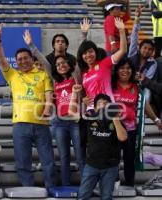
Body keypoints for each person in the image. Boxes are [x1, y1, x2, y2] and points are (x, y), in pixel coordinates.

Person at [0, 23, 56, 188]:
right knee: (22, 162)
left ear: (32, 59)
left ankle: (50, 188)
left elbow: (49, 94)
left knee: (48, 161)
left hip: (41, 124)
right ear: (17, 62)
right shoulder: (12, 75)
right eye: (19, 59)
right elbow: (0, 59)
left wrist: (48, 107)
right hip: (20, 124)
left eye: (26, 58)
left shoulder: (42, 74)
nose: (23, 61)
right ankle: (28, 190)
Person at [23, 29, 85, 186]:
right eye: (58, 64)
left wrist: (83, 36)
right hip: (59, 123)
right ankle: (65, 185)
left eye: (64, 63)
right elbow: (44, 61)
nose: (61, 65)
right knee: (63, 156)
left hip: (75, 122)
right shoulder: (54, 80)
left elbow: (79, 58)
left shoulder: (75, 76)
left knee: (80, 155)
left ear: (68, 64)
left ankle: (86, 185)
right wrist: (31, 45)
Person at [112, 57, 162, 187]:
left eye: (128, 68)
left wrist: (156, 120)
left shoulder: (136, 87)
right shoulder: (110, 86)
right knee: (113, 159)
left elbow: (145, 105)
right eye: (122, 68)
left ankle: (129, 185)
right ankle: (113, 183)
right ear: (117, 70)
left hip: (131, 130)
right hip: (113, 130)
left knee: (129, 160)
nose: (125, 70)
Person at [69, 92, 128, 200]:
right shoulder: (89, 119)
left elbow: (123, 138)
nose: (103, 106)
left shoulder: (116, 121)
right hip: (91, 165)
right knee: (82, 196)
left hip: (110, 166)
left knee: (106, 197)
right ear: (95, 108)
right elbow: (71, 112)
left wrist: (115, 119)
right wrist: (74, 94)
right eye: (100, 104)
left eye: (106, 104)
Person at [77, 17, 127, 110]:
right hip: (91, 111)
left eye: (90, 51)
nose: (88, 55)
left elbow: (122, 50)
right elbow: (84, 92)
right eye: (84, 53)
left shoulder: (105, 63)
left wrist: (121, 31)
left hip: (108, 109)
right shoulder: (84, 73)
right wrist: (83, 98)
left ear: (96, 52)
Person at [128, 5, 157, 102]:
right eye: (144, 48)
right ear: (139, 48)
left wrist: (140, 78)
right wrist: (137, 18)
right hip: (127, 82)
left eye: (150, 49)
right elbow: (134, 36)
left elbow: (147, 78)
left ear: (152, 52)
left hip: (141, 86)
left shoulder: (153, 63)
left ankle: (143, 115)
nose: (147, 51)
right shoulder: (132, 53)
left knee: (147, 94)